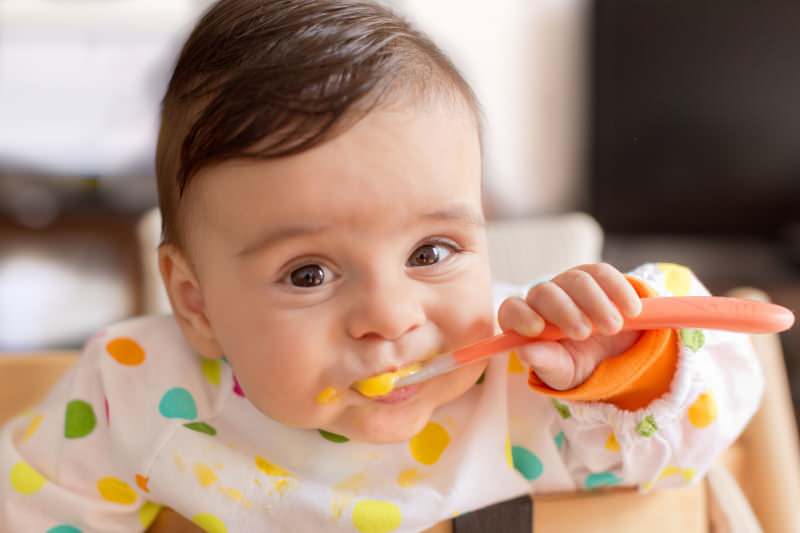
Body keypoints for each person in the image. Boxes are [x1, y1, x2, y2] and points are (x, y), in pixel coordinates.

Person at [0, 1, 762, 531]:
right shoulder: (138, 392)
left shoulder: (538, 379)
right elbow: (31, 504)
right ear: (196, 305)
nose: (391, 317)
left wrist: (624, 369)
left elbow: (706, 429)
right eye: (309, 273)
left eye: (432, 252)